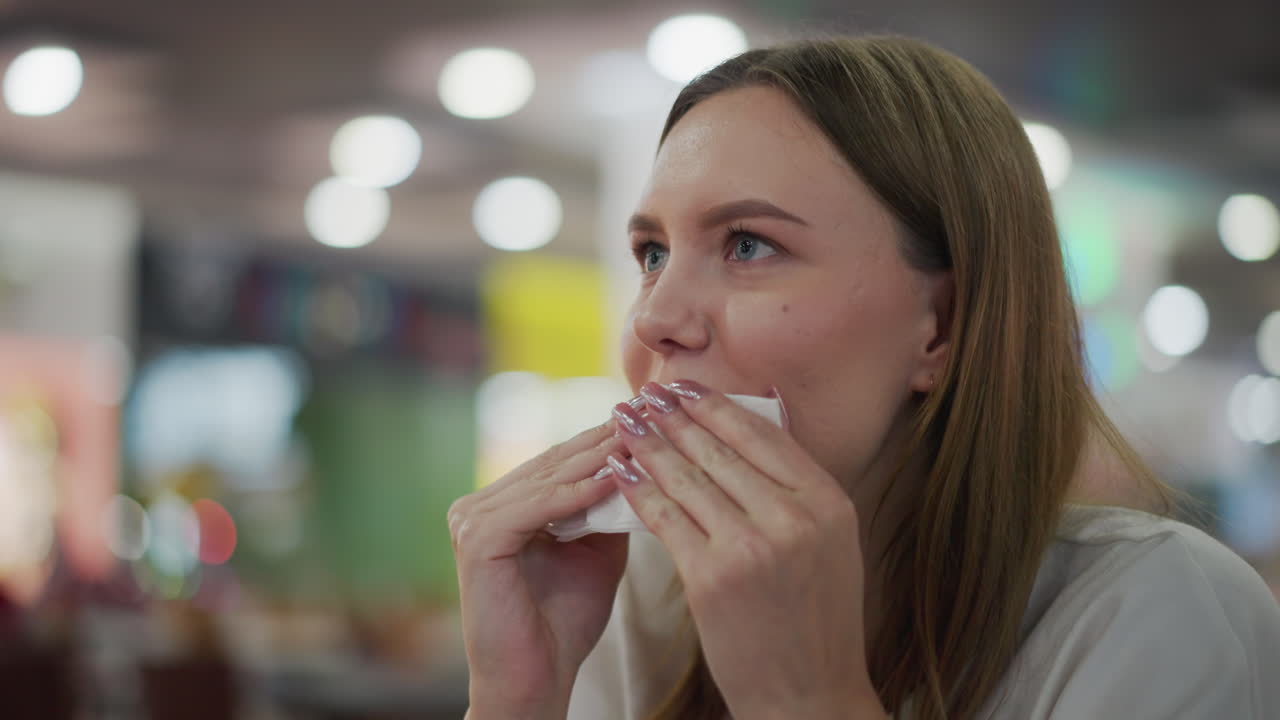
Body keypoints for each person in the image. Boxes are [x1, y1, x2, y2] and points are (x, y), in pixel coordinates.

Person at [448, 35, 1280, 720]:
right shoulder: (638, 602)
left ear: (943, 329)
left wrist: (807, 701)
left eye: (748, 245)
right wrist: (517, 699)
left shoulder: (1165, 614)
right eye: (652, 254)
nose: (653, 321)